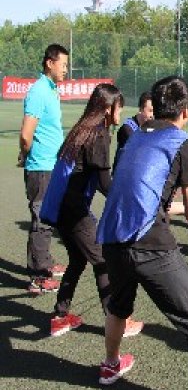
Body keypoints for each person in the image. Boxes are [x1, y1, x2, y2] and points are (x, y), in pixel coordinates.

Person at [96, 76, 188, 390]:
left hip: (112, 239)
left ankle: (110, 363)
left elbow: (151, 200)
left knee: (119, 307)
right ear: (185, 111)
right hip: (152, 246)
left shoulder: (133, 136)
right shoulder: (183, 143)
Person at [40, 84, 143, 338]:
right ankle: (117, 322)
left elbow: (96, 179)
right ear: (108, 108)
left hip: (63, 209)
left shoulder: (84, 129)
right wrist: (131, 199)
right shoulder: (98, 134)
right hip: (73, 212)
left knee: (77, 260)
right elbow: (105, 183)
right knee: (103, 261)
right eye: (119, 107)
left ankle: (60, 317)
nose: (121, 112)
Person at [19, 44, 69, 294]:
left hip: (51, 165)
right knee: (41, 220)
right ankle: (37, 277)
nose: (66, 69)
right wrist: (26, 154)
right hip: (40, 167)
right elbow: (26, 134)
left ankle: (45, 262)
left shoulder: (51, 89)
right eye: (63, 64)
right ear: (50, 63)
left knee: (48, 218)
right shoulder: (39, 91)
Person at [113, 91, 153, 171]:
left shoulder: (153, 127)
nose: (153, 115)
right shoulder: (127, 129)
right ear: (140, 109)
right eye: (150, 111)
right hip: (124, 175)